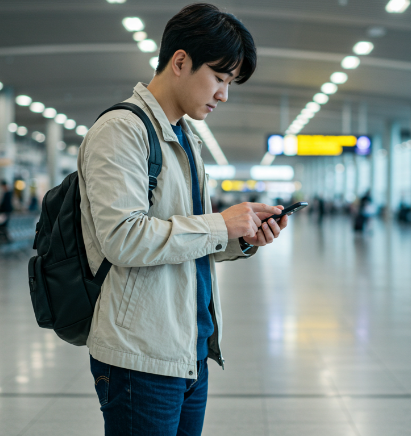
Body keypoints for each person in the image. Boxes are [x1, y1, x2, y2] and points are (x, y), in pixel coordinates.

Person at [78, 4, 286, 435]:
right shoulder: (122, 130)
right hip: (139, 356)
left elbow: (185, 243)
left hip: (187, 349)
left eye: (229, 83)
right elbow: (123, 238)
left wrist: (242, 238)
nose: (224, 95)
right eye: (219, 78)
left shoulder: (186, 139)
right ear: (180, 61)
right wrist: (220, 224)